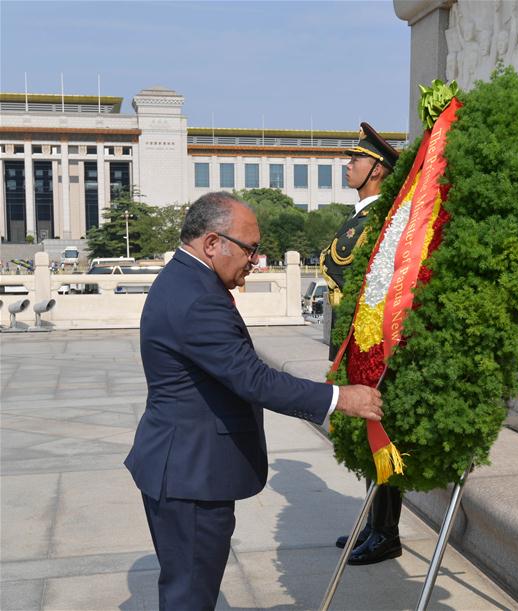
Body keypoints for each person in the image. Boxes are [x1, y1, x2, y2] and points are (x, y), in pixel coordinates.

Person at [125, 192, 384, 610]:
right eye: (250, 249)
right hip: (190, 474)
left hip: (183, 465)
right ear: (213, 243)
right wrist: (340, 398)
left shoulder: (187, 279)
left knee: (189, 588)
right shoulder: (196, 298)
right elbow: (253, 379)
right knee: (189, 595)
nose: (255, 261)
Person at [320, 123, 405, 565]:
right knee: (364, 438)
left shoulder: (379, 221)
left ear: (377, 170)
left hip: (370, 343)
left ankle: (386, 533)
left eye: (356, 159)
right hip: (349, 340)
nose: (348, 165)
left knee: (380, 436)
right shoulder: (359, 218)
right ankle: (373, 525)